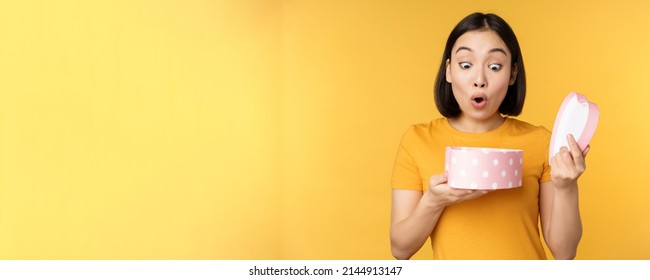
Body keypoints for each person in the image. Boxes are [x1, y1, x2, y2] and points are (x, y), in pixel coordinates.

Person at [389, 12, 589, 260]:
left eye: (495, 66)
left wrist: (566, 186)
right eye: (465, 65)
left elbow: (565, 252)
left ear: (512, 75)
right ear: (449, 71)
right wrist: (434, 201)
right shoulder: (417, 140)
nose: (479, 80)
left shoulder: (540, 142)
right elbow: (400, 249)